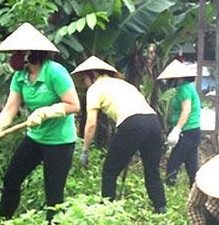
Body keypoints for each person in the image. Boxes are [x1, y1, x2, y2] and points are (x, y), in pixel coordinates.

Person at [0, 23, 80, 223]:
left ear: (29, 54)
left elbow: (74, 105)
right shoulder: (19, 77)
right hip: (35, 138)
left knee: (54, 193)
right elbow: (9, 110)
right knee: (11, 179)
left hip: (60, 142)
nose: (12, 58)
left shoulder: (55, 72)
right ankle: (3, 223)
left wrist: (46, 111)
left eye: (17, 53)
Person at [71, 56, 166, 213]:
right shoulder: (124, 84)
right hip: (153, 121)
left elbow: (91, 123)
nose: (84, 82)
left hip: (132, 123)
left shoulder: (95, 89)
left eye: (84, 78)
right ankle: (161, 207)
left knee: (110, 171)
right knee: (152, 170)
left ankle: (107, 210)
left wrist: (85, 151)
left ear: (92, 74)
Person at [158, 59, 202, 186]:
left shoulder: (184, 89)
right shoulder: (187, 88)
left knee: (173, 164)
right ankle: (197, 193)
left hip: (187, 131)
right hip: (194, 131)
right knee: (192, 167)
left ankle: (169, 189)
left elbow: (186, 110)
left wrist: (177, 129)